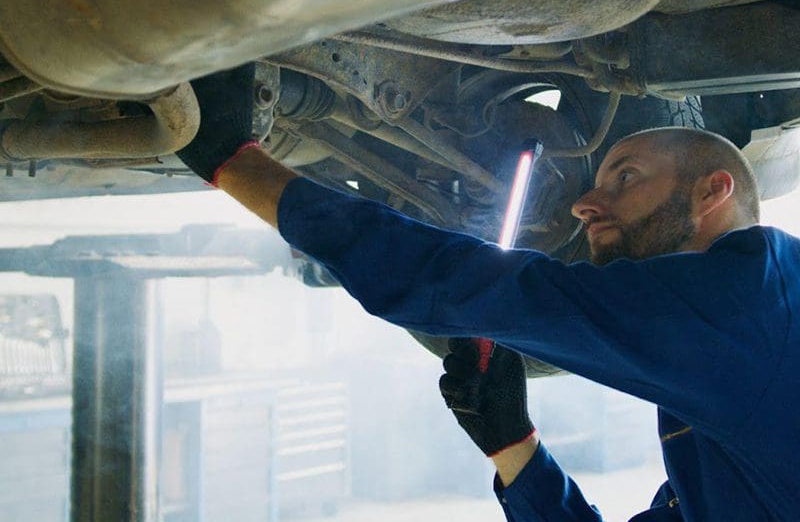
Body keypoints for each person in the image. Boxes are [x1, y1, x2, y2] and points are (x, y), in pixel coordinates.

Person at [178, 66, 800, 521]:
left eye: (625, 178)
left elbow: (469, 286)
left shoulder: (746, 305)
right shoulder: (750, 324)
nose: (584, 203)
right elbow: (474, 289)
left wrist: (238, 165)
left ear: (712, 192)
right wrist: (514, 444)